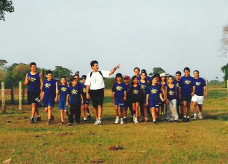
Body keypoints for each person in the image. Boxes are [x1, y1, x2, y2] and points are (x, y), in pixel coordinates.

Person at [85, 60, 120, 125]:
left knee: (100, 105)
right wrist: (87, 93)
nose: (97, 67)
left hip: (100, 90)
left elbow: (110, 73)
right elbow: (88, 85)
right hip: (92, 91)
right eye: (96, 66)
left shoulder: (101, 72)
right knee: (94, 106)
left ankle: (99, 119)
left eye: (98, 65)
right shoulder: (89, 75)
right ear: (92, 67)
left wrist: (115, 68)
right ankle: (96, 119)